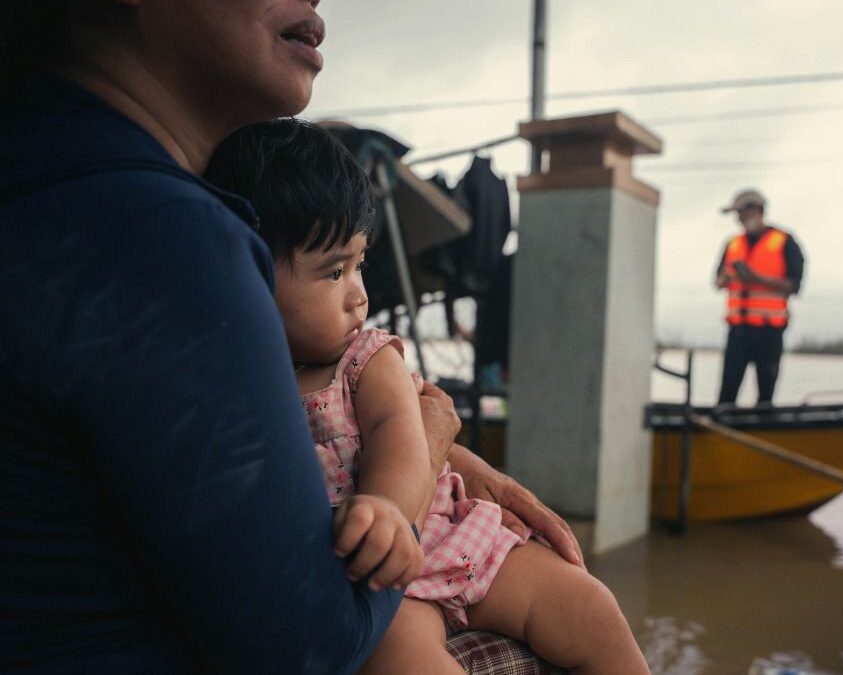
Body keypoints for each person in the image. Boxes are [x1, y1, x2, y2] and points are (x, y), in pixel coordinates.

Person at [0, 3, 580, 673]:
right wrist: (419, 467)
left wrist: (435, 451)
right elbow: (314, 645)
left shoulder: (47, 171)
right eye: (333, 268)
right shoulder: (157, 234)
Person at [204, 119, 649, 675]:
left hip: (446, 534)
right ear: (250, 273)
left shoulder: (365, 358)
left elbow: (402, 431)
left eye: (359, 264)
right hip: (385, 588)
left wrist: (390, 506)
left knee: (590, 606)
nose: (359, 295)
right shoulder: (239, 381)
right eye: (334, 271)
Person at [713, 188, 805, 406]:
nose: (739, 219)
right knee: (726, 396)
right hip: (738, 332)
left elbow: (794, 285)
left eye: (742, 213)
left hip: (769, 332)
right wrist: (725, 278)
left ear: (757, 211)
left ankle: (762, 431)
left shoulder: (785, 242)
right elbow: (717, 281)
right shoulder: (732, 244)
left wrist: (757, 278)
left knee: (765, 398)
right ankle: (720, 433)